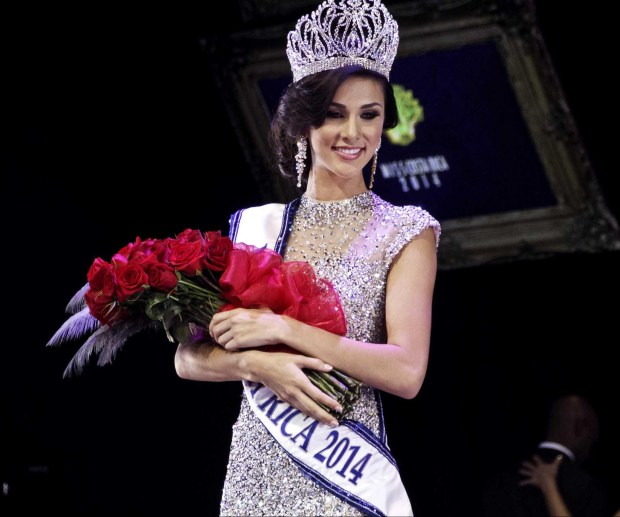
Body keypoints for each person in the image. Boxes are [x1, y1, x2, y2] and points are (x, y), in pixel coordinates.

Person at [173, 0, 441, 515]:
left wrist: (285, 330)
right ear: (303, 122)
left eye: (369, 115)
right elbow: (187, 358)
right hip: (255, 476)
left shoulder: (406, 230)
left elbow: (407, 371)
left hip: (345, 472)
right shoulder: (257, 228)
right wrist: (256, 364)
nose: (353, 133)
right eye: (335, 114)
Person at [482, 394, 610, 517]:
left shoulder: (500, 480)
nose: (595, 439)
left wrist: (549, 485)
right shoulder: (588, 487)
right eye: (594, 432)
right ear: (580, 427)